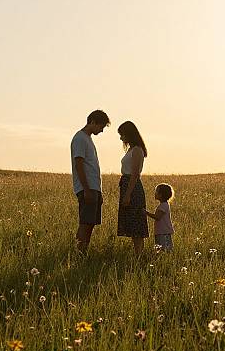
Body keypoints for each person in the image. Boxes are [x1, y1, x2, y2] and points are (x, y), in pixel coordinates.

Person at [71, 110, 110, 253]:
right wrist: (86, 189)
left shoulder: (87, 138)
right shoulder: (80, 138)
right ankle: (79, 252)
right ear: (92, 122)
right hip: (87, 188)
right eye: (101, 126)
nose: (101, 130)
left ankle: (83, 251)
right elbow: (79, 164)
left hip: (93, 187)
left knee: (91, 223)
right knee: (85, 222)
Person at [117, 121, 149, 256]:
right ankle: (137, 254)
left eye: (122, 134)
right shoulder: (131, 149)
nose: (121, 138)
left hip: (132, 186)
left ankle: (139, 255)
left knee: (136, 223)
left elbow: (135, 174)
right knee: (131, 223)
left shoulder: (137, 150)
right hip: (126, 184)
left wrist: (128, 194)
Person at [145, 183, 175, 252]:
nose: (155, 193)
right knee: (160, 249)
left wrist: (146, 213)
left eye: (156, 192)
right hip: (161, 231)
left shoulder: (163, 205)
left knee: (164, 250)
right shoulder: (164, 204)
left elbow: (157, 217)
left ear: (161, 195)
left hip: (163, 232)